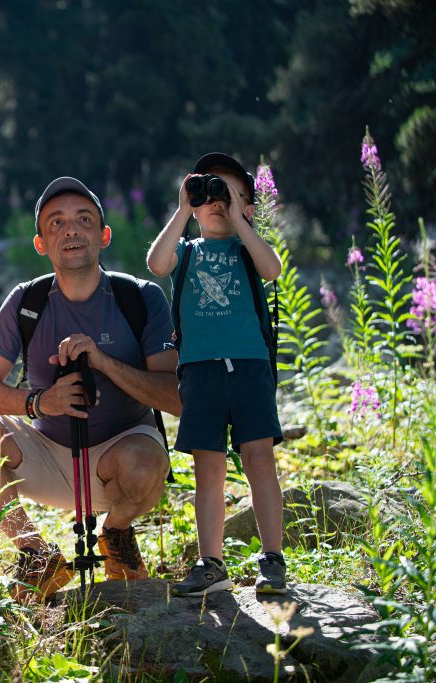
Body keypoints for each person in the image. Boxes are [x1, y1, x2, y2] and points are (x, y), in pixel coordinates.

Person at [0, 177, 179, 602]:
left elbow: (175, 396)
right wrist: (38, 401)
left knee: (145, 463)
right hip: (43, 450)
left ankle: (117, 533)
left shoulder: (139, 298)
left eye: (84, 220)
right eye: (56, 223)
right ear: (41, 244)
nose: (71, 230)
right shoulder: (26, 302)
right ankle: (35, 553)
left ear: (103, 235)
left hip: (119, 456)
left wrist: (103, 363)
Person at [147, 153, 286, 596]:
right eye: (209, 192)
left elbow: (273, 268)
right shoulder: (187, 252)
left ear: (248, 206)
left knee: (259, 459)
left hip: (249, 367)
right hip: (200, 372)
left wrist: (240, 218)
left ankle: (273, 558)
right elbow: (156, 263)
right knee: (208, 468)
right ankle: (211, 564)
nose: (216, 202)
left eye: (227, 194)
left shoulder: (248, 250)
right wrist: (184, 208)